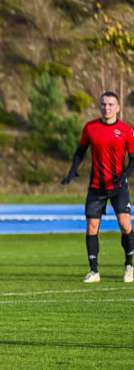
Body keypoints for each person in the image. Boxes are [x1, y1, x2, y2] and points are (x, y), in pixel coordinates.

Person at [61, 91, 134, 283]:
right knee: (92, 228)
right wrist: (72, 171)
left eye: (110, 105)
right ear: (99, 106)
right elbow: (80, 151)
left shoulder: (126, 130)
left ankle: (129, 266)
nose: (106, 108)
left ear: (118, 108)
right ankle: (94, 272)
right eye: (103, 104)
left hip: (118, 186)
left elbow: (133, 159)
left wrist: (125, 175)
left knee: (125, 224)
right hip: (96, 186)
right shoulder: (90, 127)